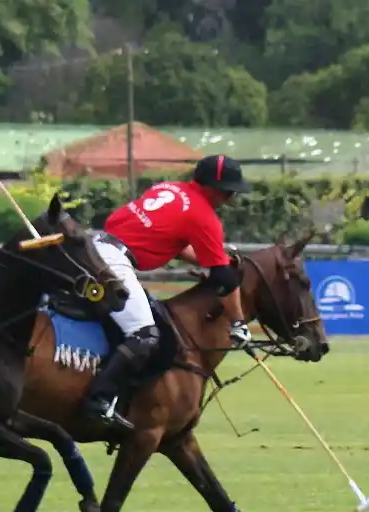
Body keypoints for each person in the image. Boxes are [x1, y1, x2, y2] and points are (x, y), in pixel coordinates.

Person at [83, 154, 253, 432]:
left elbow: (172, 241)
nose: (230, 197)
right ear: (214, 187)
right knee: (145, 334)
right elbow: (224, 278)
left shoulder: (170, 188)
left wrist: (209, 258)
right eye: (228, 190)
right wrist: (237, 323)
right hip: (114, 261)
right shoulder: (203, 216)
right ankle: (99, 400)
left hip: (93, 247)